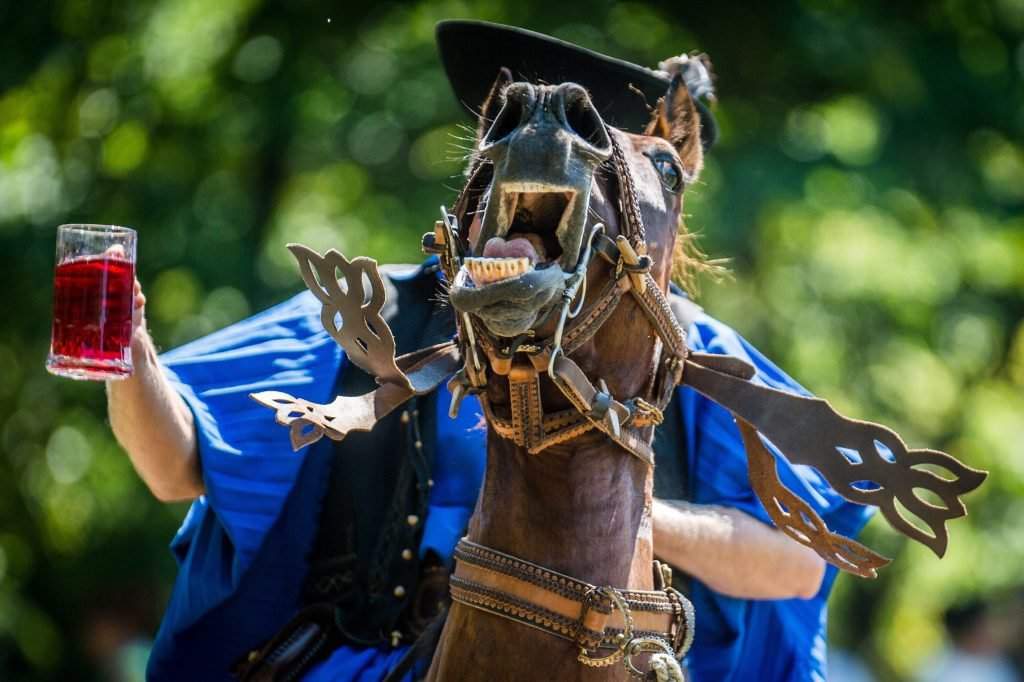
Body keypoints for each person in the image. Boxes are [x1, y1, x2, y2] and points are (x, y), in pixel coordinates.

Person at [106, 20, 874, 682]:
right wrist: (129, 350)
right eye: (512, 139)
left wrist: (623, 512)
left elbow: (798, 563)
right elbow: (176, 468)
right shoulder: (372, 315)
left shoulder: (685, 348)